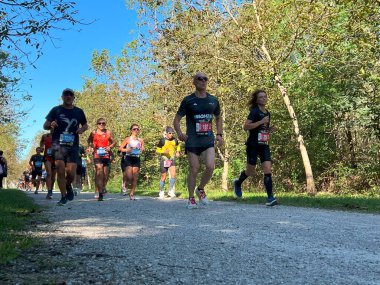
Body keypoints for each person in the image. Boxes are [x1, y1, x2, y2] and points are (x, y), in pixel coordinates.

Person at [173, 72, 223, 209]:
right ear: (194, 82)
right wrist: (179, 133)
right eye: (199, 78)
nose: (202, 80)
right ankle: (191, 199)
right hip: (193, 141)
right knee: (194, 168)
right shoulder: (188, 100)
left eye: (205, 78)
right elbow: (176, 120)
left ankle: (200, 189)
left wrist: (219, 134)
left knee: (211, 166)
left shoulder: (213, 100)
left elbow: (218, 117)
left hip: (207, 139)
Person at [233, 89, 278, 206]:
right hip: (253, 145)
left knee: (267, 169)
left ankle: (270, 197)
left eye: (265, 97)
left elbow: (263, 129)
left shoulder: (268, 113)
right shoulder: (254, 111)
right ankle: (238, 183)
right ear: (257, 100)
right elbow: (246, 126)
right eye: (261, 97)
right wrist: (261, 121)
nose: (263, 99)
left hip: (264, 145)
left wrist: (270, 130)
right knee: (250, 171)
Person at [43, 88, 88, 205]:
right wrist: (51, 124)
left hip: (73, 145)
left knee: (71, 173)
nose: (68, 96)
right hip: (58, 145)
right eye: (65, 94)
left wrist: (81, 129)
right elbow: (45, 125)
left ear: (73, 97)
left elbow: (85, 125)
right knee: (60, 171)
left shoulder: (79, 111)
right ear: (62, 97)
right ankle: (63, 196)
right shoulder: (56, 110)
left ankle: (68, 186)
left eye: (70, 94)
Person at [87, 118, 116, 201]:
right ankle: (99, 193)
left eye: (103, 123)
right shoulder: (93, 132)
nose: (101, 125)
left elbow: (114, 142)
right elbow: (89, 140)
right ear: (97, 124)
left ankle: (102, 187)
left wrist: (110, 147)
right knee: (99, 170)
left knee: (105, 175)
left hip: (106, 154)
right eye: (99, 123)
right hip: (97, 154)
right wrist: (91, 146)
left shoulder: (108, 132)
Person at [118, 124, 145, 200]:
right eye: (134, 129)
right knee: (129, 177)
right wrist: (127, 150)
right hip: (128, 158)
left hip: (136, 158)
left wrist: (142, 149)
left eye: (137, 129)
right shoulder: (127, 139)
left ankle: (132, 193)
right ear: (131, 130)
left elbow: (143, 148)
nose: (136, 130)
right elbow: (120, 148)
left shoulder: (141, 140)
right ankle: (124, 185)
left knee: (135, 177)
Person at [156, 126, 181, 199]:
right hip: (164, 159)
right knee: (163, 176)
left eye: (172, 133)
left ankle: (170, 191)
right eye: (169, 133)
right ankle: (161, 191)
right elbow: (157, 150)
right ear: (166, 133)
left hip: (171, 159)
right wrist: (163, 151)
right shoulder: (162, 140)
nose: (171, 134)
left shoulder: (175, 140)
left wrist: (178, 152)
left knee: (173, 175)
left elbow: (178, 146)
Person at [40, 130, 56, 199]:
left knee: (53, 176)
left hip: (56, 157)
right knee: (49, 173)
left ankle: (51, 190)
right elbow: (41, 142)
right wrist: (41, 147)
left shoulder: (59, 135)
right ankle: (49, 191)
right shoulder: (45, 136)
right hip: (47, 157)